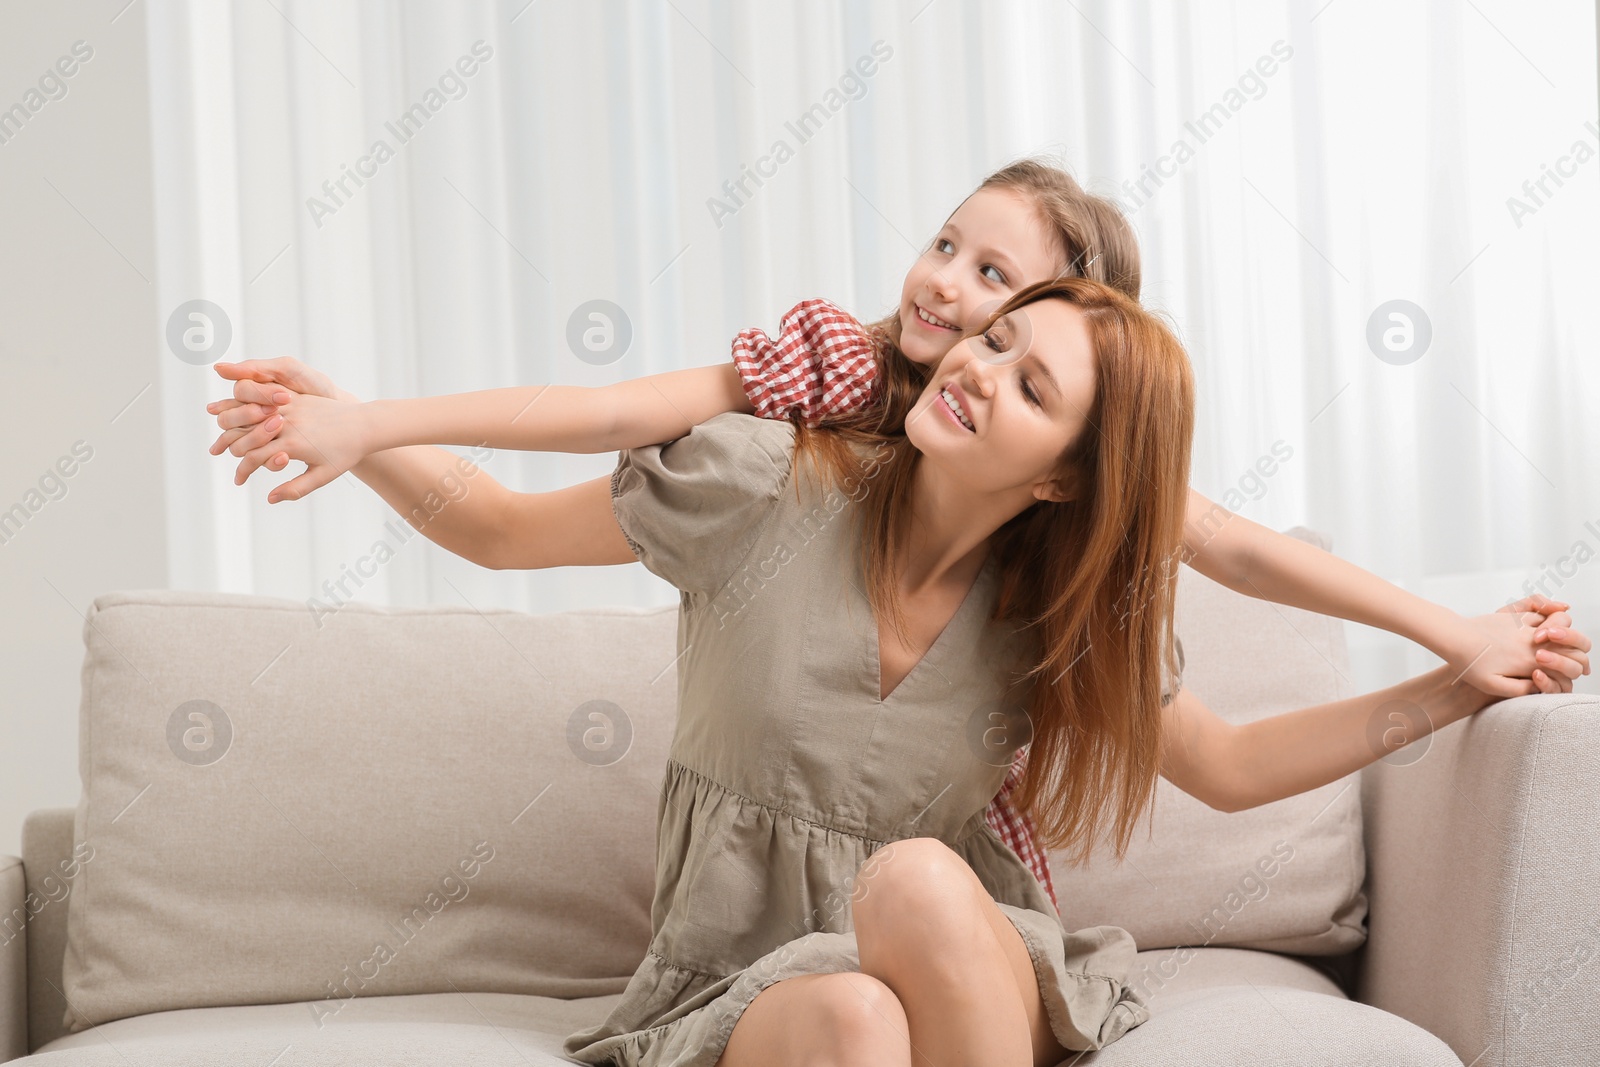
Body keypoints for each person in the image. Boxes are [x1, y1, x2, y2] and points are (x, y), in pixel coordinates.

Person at [217, 276, 1576, 1066]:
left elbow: (1223, 765)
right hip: (742, 977)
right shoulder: (764, 483)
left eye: (1030, 385)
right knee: (857, 1023)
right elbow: (498, 528)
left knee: (916, 880)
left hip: (960, 958)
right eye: (993, 338)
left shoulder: (1057, 608)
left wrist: (1452, 685)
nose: (978, 367)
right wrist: (352, 424)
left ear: (1059, 478)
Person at [206, 158, 1592, 915]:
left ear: (1074, 455)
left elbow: (1227, 609)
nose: (955, 302)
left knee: (930, 888)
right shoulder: (793, 432)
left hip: (946, 915)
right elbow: (543, 484)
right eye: (961, 267)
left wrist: (1450, 657)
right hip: (771, 955)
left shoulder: (1063, 572)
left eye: (1011, 297)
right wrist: (371, 429)